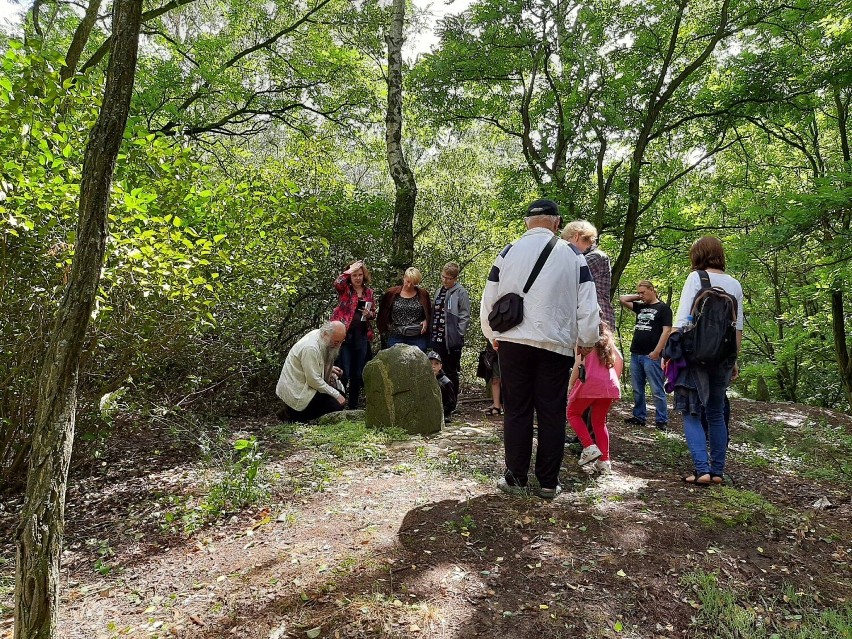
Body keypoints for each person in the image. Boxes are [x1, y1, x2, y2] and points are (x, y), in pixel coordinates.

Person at [480, 198, 600, 500]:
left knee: (517, 411)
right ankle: (548, 482)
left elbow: (489, 297)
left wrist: (492, 334)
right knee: (551, 412)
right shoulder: (572, 254)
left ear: (526, 223)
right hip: (555, 344)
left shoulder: (507, 252)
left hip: (513, 342)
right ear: (557, 223)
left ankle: (516, 477)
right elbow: (588, 301)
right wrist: (586, 340)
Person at [672, 237, 743, 485]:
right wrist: (733, 360)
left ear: (697, 255)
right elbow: (738, 327)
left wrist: (671, 353)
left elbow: (683, 320)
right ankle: (718, 473)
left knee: (691, 411)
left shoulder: (696, 278)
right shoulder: (734, 284)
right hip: (723, 357)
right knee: (715, 412)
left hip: (695, 356)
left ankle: (701, 470)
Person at [566, 325, 623, 475]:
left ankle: (589, 446)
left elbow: (579, 364)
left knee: (572, 413)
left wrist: (571, 385)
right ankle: (604, 462)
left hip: (590, 383)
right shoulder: (607, 341)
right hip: (608, 385)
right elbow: (620, 360)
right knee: (599, 422)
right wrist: (613, 381)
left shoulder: (583, 339)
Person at [619, 280, 672, 430]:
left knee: (656, 389)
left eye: (643, 292)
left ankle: (661, 420)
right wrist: (639, 296)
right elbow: (623, 299)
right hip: (636, 353)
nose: (641, 295)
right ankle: (639, 416)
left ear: (652, 290)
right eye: (639, 293)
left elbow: (666, 331)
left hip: (651, 356)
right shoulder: (641, 307)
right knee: (637, 388)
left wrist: (657, 351)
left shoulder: (663, 308)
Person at [276, 321, 347, 422]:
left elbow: (314, 363)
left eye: (340, 342)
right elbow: (313, 380)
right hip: (299, 390)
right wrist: (336, 394)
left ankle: (294, 413)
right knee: (335, 404)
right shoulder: (310, 348)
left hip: (307, 385)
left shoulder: (320, 335)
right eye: (336, 342)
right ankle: (292, 414)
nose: (338, 345)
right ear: (326, 334)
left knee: (340, 396)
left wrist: (329, 370)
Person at [331, 260, 377, 408]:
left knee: (358, 373)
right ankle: (340, 405)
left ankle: (353, 407)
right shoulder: (346, 290)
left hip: (362, 336)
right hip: (345, 336)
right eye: (355, 275)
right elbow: (337, 283)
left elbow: (373, 313)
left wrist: (369, 314)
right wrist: (349, 270)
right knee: (344, 372)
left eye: (360, 275)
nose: (357, 278)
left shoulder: (368, 292)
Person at [562, 220, 615, 330]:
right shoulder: (586, 257)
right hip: (590, 318)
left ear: (576, 236)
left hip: (598, 320)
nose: (565, 246)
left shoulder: (595, 257)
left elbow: (567, 278)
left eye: (566, 241)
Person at [429, 262, 471, 399]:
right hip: (437, 337)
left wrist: (459, 334)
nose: (445, 280)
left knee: (451, 371)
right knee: (437, 370)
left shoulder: (460, 292)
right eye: (443, 277)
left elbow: (465, 315)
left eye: (448, 278)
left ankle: (452, 402)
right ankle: (440, 401)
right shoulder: (439, 290)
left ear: (455, 279)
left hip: (452, 340)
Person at [377, 267, 431, 352]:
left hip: (417, 335)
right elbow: (383, 313)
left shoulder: (423, 294)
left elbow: (429, 313)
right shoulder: (391, 293)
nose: (409, 285)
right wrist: (386, 328)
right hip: (396, 335)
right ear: (404, 278)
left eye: (413, 283)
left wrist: (426, 321)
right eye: (408, 281)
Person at [428, 350, 457, 422]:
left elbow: (452, 403)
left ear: (440, 366)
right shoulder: (421, 380)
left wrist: (443, 410)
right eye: (430, 363)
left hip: (443, 411)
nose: (433, 366)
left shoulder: (446, 382)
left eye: (436, 364)